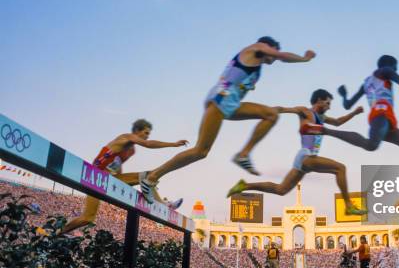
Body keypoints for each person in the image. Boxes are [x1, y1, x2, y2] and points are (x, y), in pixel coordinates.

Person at [140, 37, 315, 198]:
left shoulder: (256, 67)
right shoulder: (257, 47)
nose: (275, 59)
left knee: (269, 115)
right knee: (200, 151)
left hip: (230, 102)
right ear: (269, 47)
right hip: (221, 98)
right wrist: (304, 59)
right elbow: (282, 56)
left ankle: (243, 154)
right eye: (274, 53)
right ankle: (151, 178)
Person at [301, 55, 399, 193]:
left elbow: (348, 104)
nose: (396, 71)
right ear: (391, 65)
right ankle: (325, 131)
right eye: (396, 68)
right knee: (371, 145)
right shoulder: (386, 70)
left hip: (386, 120)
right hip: (381, 115)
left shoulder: (366, 82)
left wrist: (343, 95)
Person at [227, 89, 366, 215]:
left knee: (281, 190)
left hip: (302, 159)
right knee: (340, 168)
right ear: (319, 100)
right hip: (306, 156)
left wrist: (354, 113)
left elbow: (337, 122)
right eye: (328, 103)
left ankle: (245, 185)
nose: (329, 107)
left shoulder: (322, 118)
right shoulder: (305, 111)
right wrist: (273, 111)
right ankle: (348, 205)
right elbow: (287, 109)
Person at [62, 119, 187, 234]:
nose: (147, 136)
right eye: (146, 132)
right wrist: (173, 144)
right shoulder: (126, 137)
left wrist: (122, 182)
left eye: (148, 134)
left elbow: (117, 167)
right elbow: (148, 144)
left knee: (148, 176)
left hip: (109, 178)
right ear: (137, 131)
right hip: (94, 177)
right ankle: (58, 233)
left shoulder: (131, 150)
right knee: (87, 218)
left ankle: (163, 204)